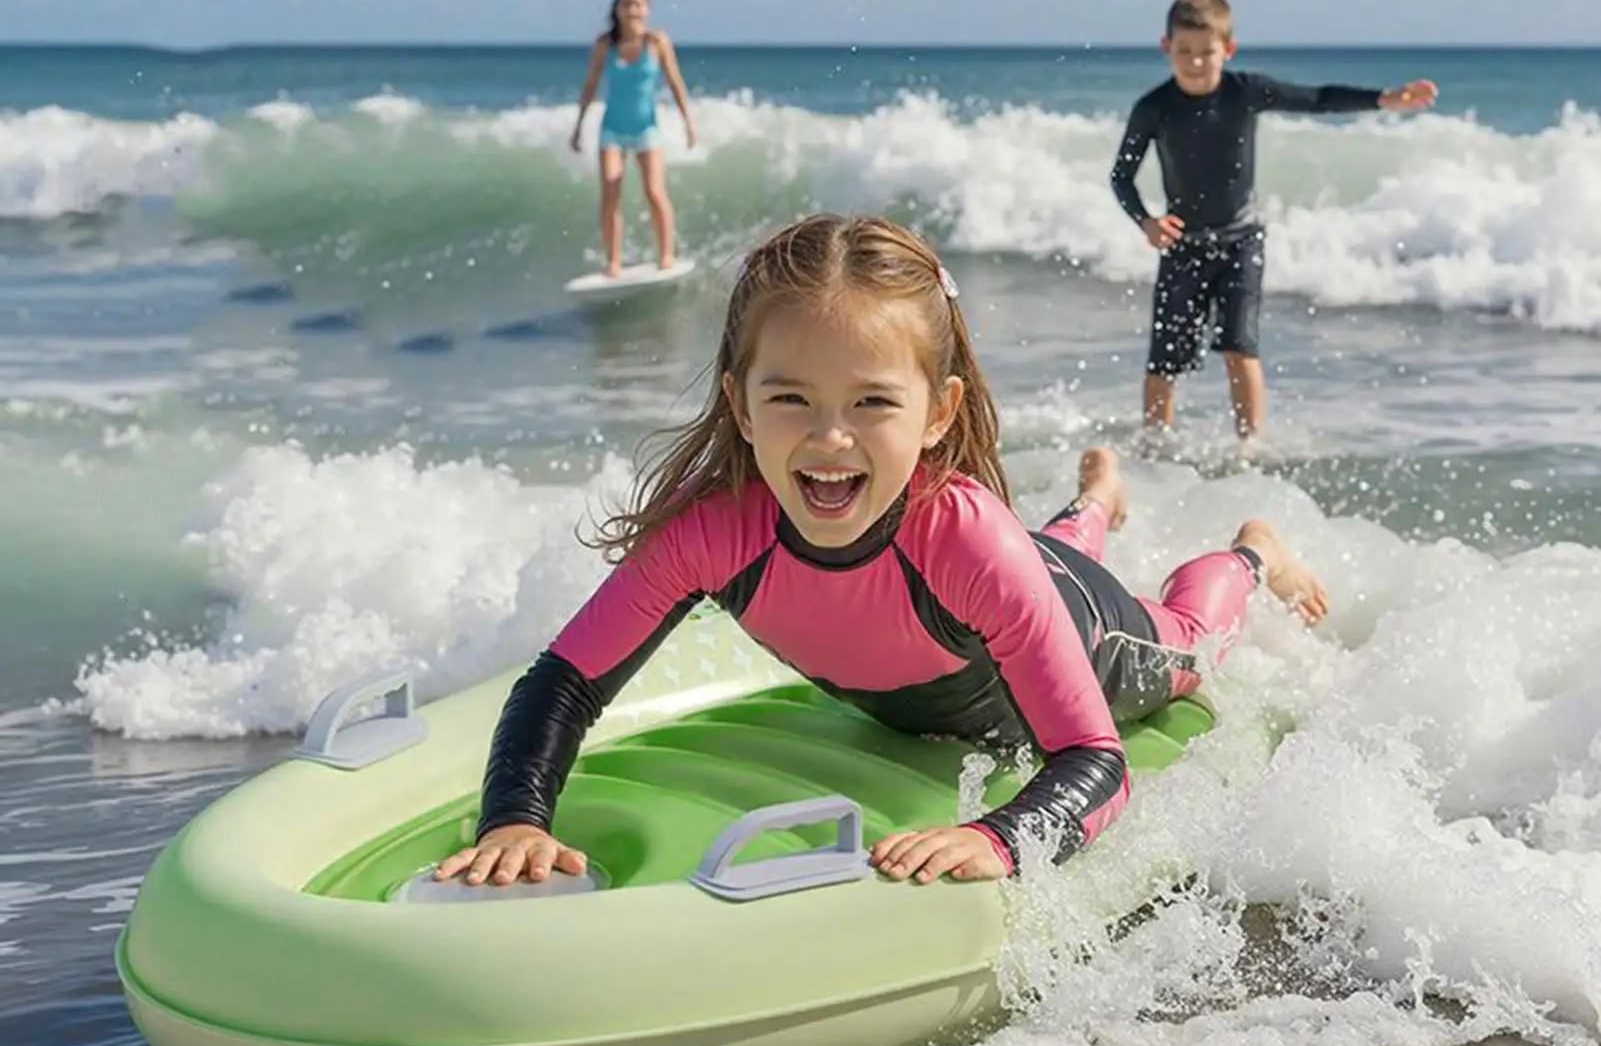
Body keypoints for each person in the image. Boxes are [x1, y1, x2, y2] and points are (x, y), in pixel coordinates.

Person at [437, 214, 1328, 892]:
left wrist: (999, 836)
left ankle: (1249, 553)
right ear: (740, 406)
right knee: (1038, 552)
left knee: (1182, 634)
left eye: (870, 403)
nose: (829, 438)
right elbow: (562, 682)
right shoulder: (712, 534)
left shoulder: (963, 539)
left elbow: (1095, 761)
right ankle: (1095, 498)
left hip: (1089, 634)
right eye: (790, 398)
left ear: (937, 413)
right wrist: (514, 817)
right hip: (1012, 582)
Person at [1111, 0, 1438, 441]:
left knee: (1240, 350)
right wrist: (1146, 221)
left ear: (1228, 49)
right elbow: (1120, 177)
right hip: (1183, 246)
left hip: (1242, 240)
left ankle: (1248, 449)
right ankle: (1154, 447)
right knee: (1163, 363)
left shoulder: (1246, 92)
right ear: (1166, 47)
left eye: (1207, 52)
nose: (1195, 62)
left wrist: (1383, 99)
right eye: (1184, 51)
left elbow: (1316, 98)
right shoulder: (1153, 108)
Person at [570, 0, 697, 277]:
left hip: (646, 130)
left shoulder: (657, 43)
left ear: (647, 9)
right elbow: (590, 86)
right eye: (627, 3)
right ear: (617, 8)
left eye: (639, 3)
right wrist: (578, 127)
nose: (633, 9)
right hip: (612, 129)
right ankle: (613, 262)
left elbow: (675, 83)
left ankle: (666, 255)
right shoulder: (605, 45)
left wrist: (688, 122)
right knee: (611, 194)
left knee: (654, 191)